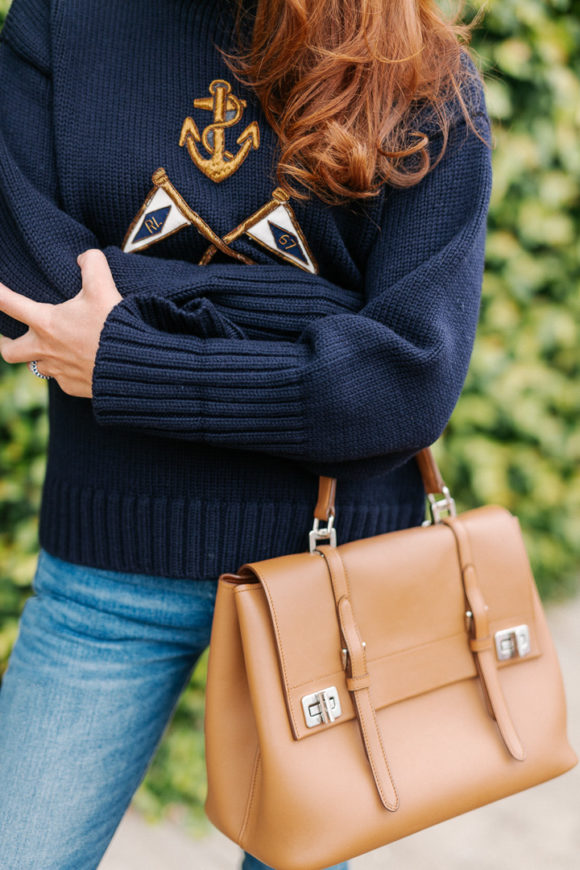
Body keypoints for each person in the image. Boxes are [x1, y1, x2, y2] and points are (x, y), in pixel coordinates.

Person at [0, 0, 492, 867]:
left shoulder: (422, 70)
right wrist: (327, 321)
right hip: (110, 569)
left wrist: (127, 352)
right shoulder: (60, 18)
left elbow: (406, 381)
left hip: (336, 582)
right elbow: (30, 291)